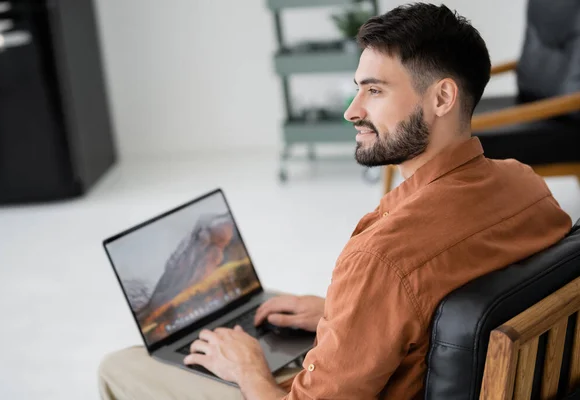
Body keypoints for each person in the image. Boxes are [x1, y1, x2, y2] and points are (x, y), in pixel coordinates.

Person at [98, 3, 572, 399]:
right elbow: (446, 293)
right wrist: (336, 312)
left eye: (375, 90)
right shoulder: (527, 186)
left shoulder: (381, 259)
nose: (352, 111)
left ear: (442, 97)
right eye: (356, 89)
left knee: (119, 366)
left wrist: (249, 371)